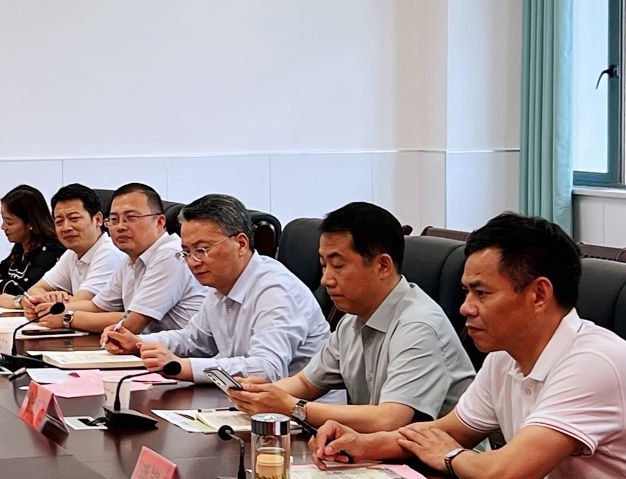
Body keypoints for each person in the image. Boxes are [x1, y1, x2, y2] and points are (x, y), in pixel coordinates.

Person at [315, 214, 626, 479]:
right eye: (466, 292)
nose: (465, 307)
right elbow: (445, 432)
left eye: (481, 293)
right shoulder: (505, 357)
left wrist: (448, 455)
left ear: (539, 294)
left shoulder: (595, 362)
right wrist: (366, 444)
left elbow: (505, 478)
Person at [227, 201, 474, 434]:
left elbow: (390, 419)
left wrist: (293, 407)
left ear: (383, 266)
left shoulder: (418, 325)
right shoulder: (352, 320)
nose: (326, 280)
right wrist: (258, 394)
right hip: (381, 451)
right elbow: (306, 383)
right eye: (323, 265)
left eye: (338, 266)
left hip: (447, 461)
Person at [104, 194, 328, 382]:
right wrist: (140, 343)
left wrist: (183, 367)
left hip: (301, 413)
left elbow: (267, 369)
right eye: (187, 252)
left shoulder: (275, 289)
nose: (193, 261)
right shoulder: (220, 285)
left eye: (202, 250)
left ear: (241, 244)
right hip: (241, 400)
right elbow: (194, 340)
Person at [32, 183, 204, 334]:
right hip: (149, 349)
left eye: (131, 218)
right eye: (114, 219)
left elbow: (132, 324)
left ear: (159, 222)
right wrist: (48, 309)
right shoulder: (130, 259)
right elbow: (97, 306)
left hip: (182, 354)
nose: (120, 227)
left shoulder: (171, 254)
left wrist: (67, 318)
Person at [0, 184, 125, 311]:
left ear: (98, 219)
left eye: (74, 219)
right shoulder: (72, 253)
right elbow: (34, 290)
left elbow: (81, 304)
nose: (66, 227)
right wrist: (51, 298)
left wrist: (49, 302)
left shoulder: (109, 253)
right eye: (59, 221)